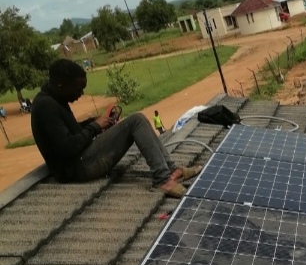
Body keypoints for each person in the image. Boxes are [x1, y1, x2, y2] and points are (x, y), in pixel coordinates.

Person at [31, 59, 200, 197]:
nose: (80, 94)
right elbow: (67, 148)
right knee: (136, 121)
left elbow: (70, 132)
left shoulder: (56, 98)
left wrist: (93, 122)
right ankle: (162, 179)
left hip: (80, 161)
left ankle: (171, 170)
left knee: (138, 120)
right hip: (77, 169)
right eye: (78, 90)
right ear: (61, 86)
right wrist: (95, 127)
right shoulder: (46, 106)